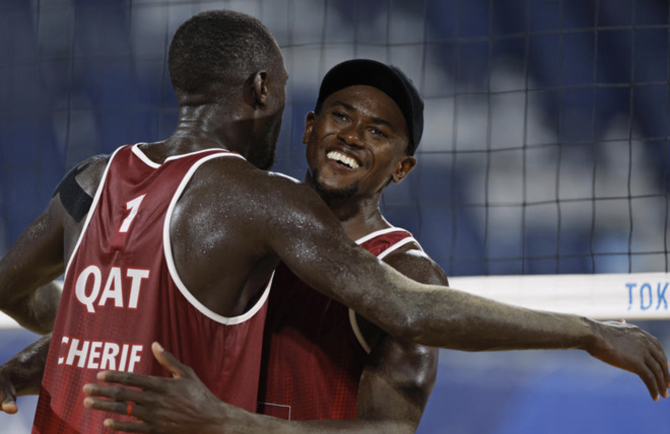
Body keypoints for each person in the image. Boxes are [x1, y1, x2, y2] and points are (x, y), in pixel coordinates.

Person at [0, 8, 668, 434]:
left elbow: (390, 416)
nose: (351, 136)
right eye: (339, 116)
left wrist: (228, 423)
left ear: (402, 168)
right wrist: (63, 352)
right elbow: (148, 317)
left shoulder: (401, 267)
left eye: (379, 131)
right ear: (306, 126)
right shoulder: (256, 213)